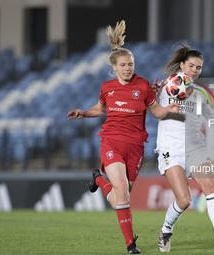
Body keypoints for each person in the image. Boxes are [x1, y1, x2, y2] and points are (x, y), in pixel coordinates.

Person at [67, 21, 180, 254]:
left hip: (136, 147)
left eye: (131, 64)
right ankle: (131, 244)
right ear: (114, 67)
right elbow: (101, 109)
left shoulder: (145, 86)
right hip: (111, 141)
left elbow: (157, 112)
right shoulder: (107, 87)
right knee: (123, 193)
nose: (128, 68)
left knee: (121, 196)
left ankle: (99, 180)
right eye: (123, 65)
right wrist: (84, 113)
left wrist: (169, 110)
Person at [153, 43, 214, 253]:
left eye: (199, 67)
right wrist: (156, 96)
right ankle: (166, 230)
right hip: (171, 147)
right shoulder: (167, 85)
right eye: (192, 65)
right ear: (182, 64)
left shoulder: (200, 92)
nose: (195, 70)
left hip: (195, 147)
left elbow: (213, 118)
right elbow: (154, 110)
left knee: (210, 186)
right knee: (184, 201)